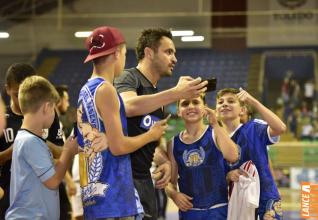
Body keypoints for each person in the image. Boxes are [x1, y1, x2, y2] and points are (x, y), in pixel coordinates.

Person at [114, 28, 207, 220]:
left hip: (144, 180)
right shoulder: (128, 77)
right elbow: (129, 106)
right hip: (122, 180)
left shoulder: (157, 97)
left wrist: (164, 162)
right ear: (149, 53)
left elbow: (150, 139)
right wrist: (176, 93)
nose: (174, 59)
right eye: (168, 52)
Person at [77, 26, 168, 220]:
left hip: (94, 195)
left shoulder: (85, 90)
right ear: (117, 53)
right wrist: (151, 135)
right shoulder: (107, 90)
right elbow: (119, 147)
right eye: (125, 54)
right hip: (114, 198)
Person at [5, 75, 78, 219]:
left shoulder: (26, 138)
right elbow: (53, 181)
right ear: (47, 107)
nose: (54, 115)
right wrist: (68, 152)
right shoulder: (31, 142)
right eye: (53, 110)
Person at [216, 88, 286, 220]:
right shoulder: (214, 139)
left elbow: (280, 128)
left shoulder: (253, 128)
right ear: (216, 111)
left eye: (231, 101)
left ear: (242, 110)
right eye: (220, 102)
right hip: (235, 201)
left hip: (265, 197)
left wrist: (253, 101)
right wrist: (228, 175)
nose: (224, 104)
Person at [165, 94, 238, 220]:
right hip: (189, 212)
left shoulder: (215, 133)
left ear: (204, 109)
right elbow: (169, 182)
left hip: (219, 209)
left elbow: (233, 156)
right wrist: (174, 194)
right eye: (185, 104)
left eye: (195, 102)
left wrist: (215, 124)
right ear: (178, 111)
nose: (191, 106)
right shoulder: (173, 143)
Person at [55, 85, 77, 219]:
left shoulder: (57, 122)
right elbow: (57, 156)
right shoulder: (54, 123)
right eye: (66, 100)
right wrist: (69, 180)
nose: (68, 104)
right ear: (58, 101)